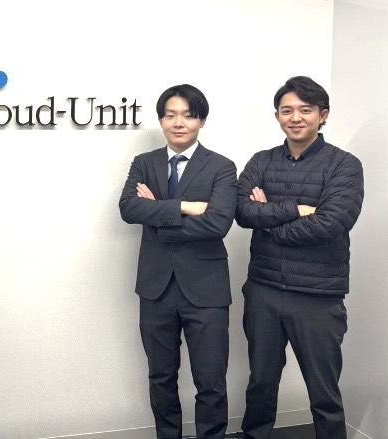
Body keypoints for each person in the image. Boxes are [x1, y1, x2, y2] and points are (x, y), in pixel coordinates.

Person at [236, 76, 364, 439]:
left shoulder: (344, 165)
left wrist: (269, 221)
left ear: (323, 115)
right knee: (260, 383)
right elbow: (242, 211)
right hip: (263, 289)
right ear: (277, 115)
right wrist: (295, 210)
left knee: (323, 391)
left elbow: (330, 223)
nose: (295, 117)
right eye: (286, 110)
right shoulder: (261, 161)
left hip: (318, 296)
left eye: (305, 110)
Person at [119, 84, 237, 438]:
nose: (178, 123)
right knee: (161, 377)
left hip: (207, 290)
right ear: (161, 120)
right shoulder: (144, 163)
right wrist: (185, 207)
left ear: (201, 121)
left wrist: (156, 214)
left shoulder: (221, 167)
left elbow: (218, 223)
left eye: (188, 115)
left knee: (211, 381)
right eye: (170, 115)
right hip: (156, 288)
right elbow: (128, 208)